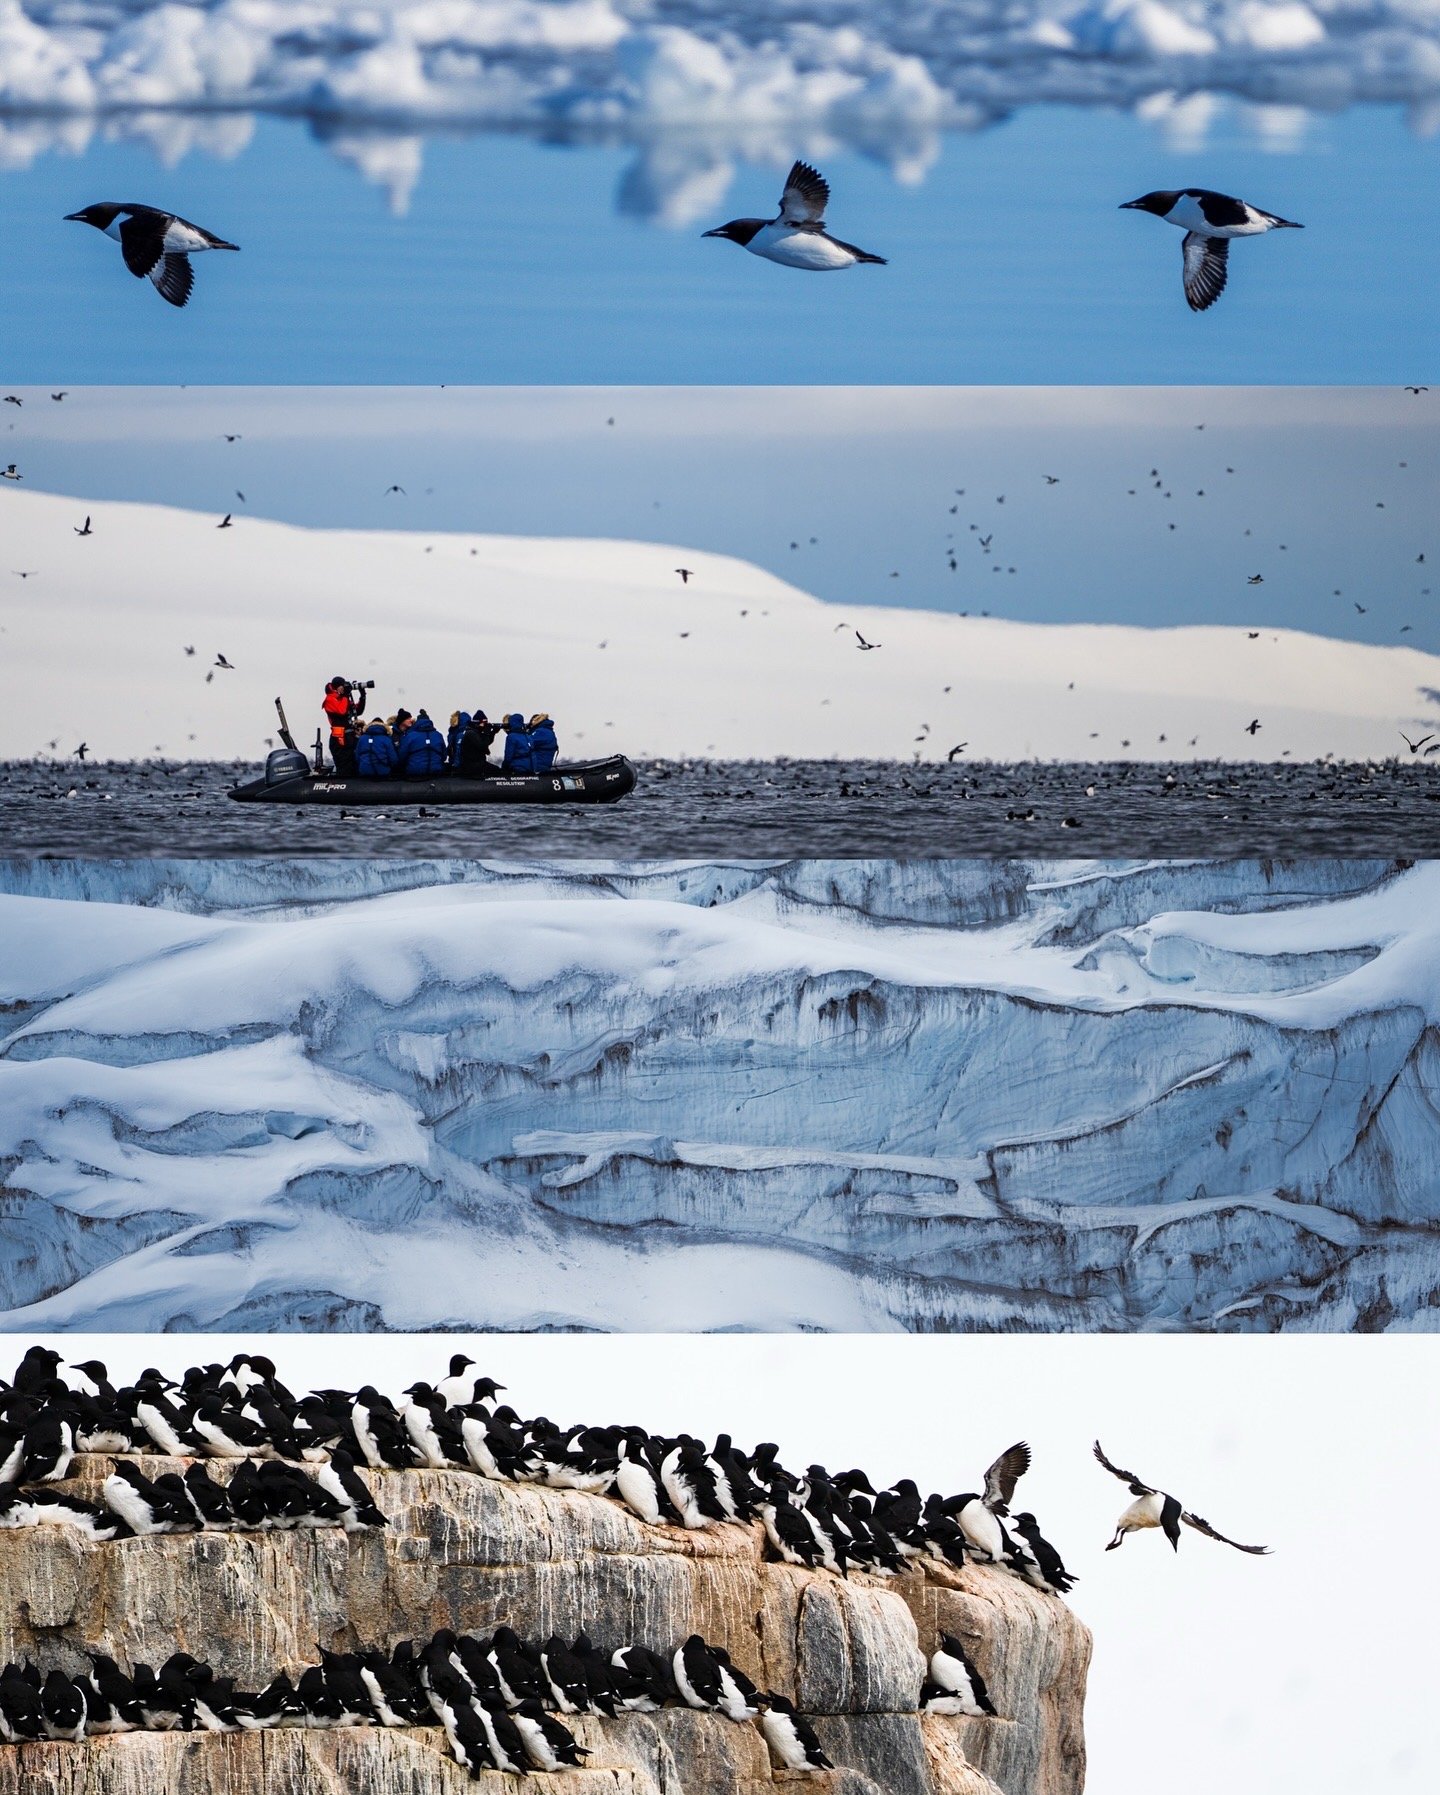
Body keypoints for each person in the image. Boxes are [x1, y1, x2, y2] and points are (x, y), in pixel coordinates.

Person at [322, 676, 361, 774]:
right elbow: (342, 711)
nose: (344, 688)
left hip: (349, 737)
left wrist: (363, 695)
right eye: (342, 686)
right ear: (337, 687)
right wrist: (346, 696)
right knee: (344, 766)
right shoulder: (330, 699)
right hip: (339, 740)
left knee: (354, 764)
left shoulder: (343, 698)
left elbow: (357, 710)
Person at [395, 708, 446, 778]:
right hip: (436, 771)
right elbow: (444, 755)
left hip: (415, 772)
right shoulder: (438, 735)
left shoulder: (410, 736)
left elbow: (402, 756)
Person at [457, 710, 499, 777]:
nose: (485, 725)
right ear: (477, 723)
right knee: (497, 771)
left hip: (476, 764)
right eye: (483, 723)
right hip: (472, 765)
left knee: (496, 770)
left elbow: (486, 742)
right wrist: (486, 733)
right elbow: (482, 746)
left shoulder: (475, 732)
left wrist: (493, 733)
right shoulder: (471, 733)